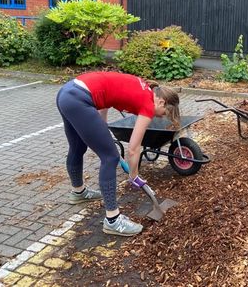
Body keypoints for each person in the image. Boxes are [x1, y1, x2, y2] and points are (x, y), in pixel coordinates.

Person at [56, 71, 180, 236]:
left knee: (77, 147)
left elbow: (108, 92)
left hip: (67, 92)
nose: (159, 117)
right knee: (110, 157)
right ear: (162, 102)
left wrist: (102, 121)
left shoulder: (143, 87)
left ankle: (78, 192)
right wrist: (134, 175)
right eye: (164, 113)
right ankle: (113, 221)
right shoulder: (148, 105)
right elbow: (134, 149)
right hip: (79, 99)